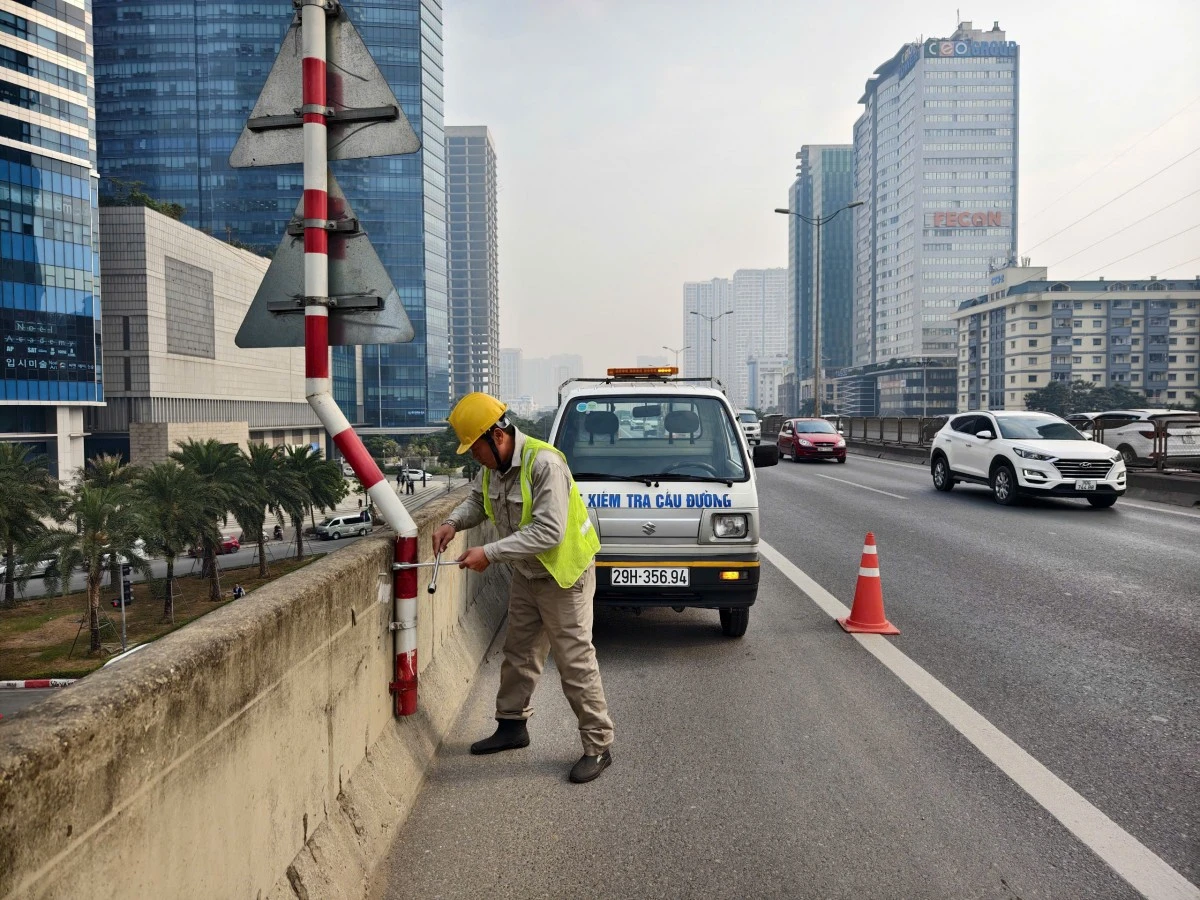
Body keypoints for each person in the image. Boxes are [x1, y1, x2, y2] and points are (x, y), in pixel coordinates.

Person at [432, 392, 613, 784]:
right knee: (519, 651)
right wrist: (452, 523)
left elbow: (549, 531)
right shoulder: (493, 467)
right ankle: (512, 726)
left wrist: (490, 553)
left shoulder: (545, 464)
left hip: (564, 576)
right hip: (528, 574)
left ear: (496, 436)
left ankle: (598, 746)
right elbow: (480, 502)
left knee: (574, 662)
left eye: (475, 449)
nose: (473, 458)